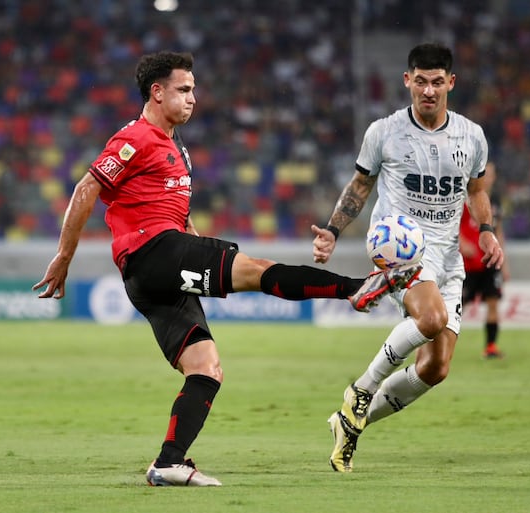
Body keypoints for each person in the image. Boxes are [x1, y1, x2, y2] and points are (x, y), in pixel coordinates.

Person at [33, 51, 419, 487]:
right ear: (157, 93)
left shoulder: (176, 147)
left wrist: (195, 243)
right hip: (152, 252)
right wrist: (63, 257)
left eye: (194, 89)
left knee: (206, 367)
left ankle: (169, 463)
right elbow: (87, 188)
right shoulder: (135, 139)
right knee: (256, 270)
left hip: (155, 270)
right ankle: (357, 287)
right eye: (183, 89)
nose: (193, 97)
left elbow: (174, 211)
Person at [311, 43, 504, 472]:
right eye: (421, 81)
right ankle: (362, 389)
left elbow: (475, 192)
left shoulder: (471, 136)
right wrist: (332, 230)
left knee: (435, 367)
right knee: (431, 319)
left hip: (448, 256)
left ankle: (349, 423)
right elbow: (360, 186)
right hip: (400, 246)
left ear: (451, 83)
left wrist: (487, 231)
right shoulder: (384, 131)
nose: (429, 90)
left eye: (437, 82)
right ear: (407, 81)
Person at [459, 161, 509, 359]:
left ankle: (490, 347)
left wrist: (504, 262)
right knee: (457, 305)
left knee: (493, 301)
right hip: (468, 264)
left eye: (490, 174)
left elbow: (499, 232)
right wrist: (462, 244)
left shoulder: (495, 202)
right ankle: (438, 342)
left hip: (490, 261)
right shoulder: (464, 198)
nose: (487, 177)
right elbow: (452, 226)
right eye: (484, 174)